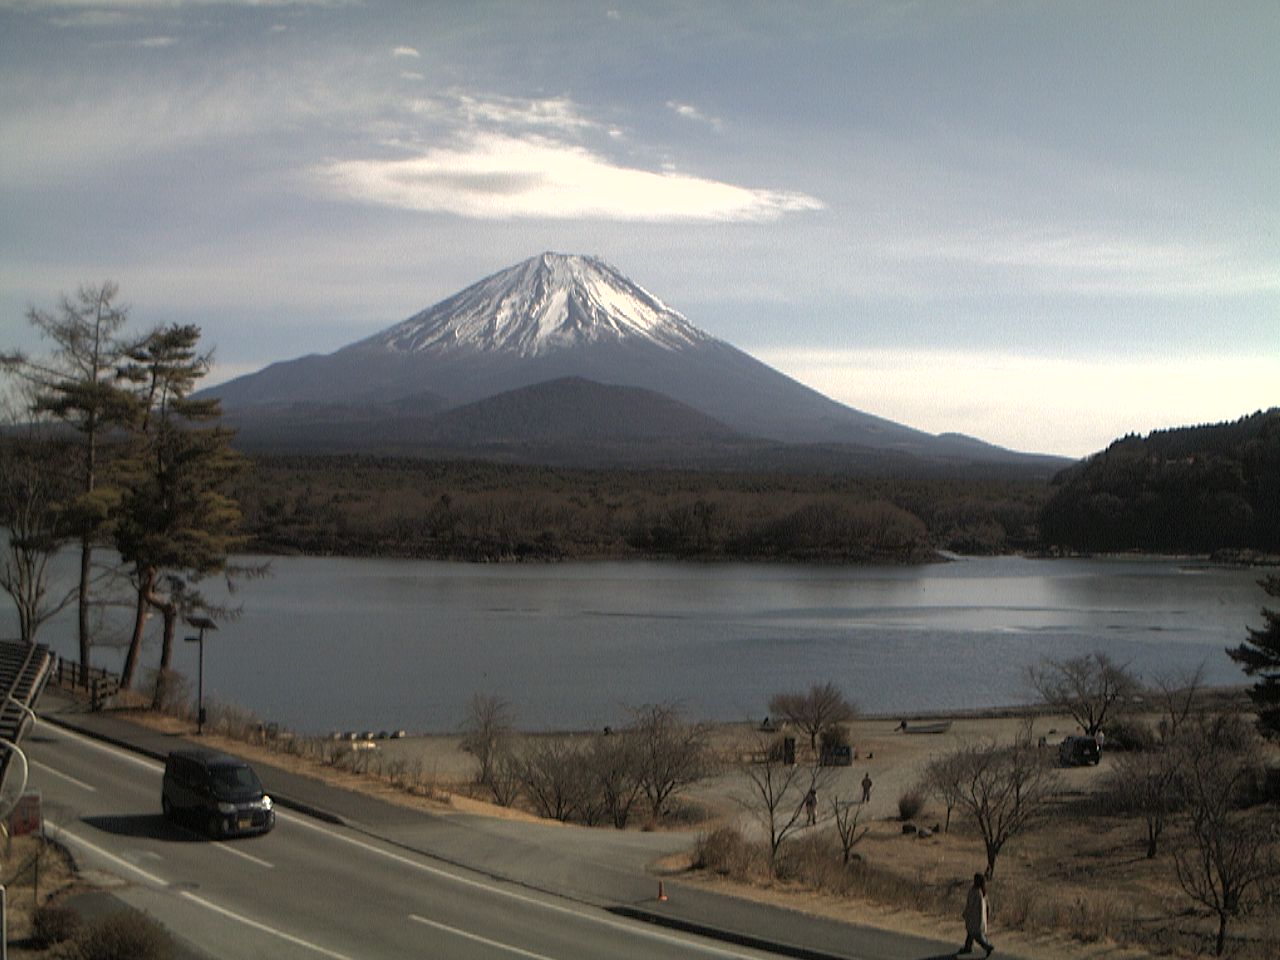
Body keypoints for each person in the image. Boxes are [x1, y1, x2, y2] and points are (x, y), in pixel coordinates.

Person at [959, 872, 994, 957]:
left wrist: (966, 913)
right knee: (971, 933)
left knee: (977, 935)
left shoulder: (975, 892)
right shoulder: (982, 892)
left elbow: (971, 905)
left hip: (975, 917)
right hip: (979, 918)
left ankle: (987, 946)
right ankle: (968, 947)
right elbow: (987, 906)